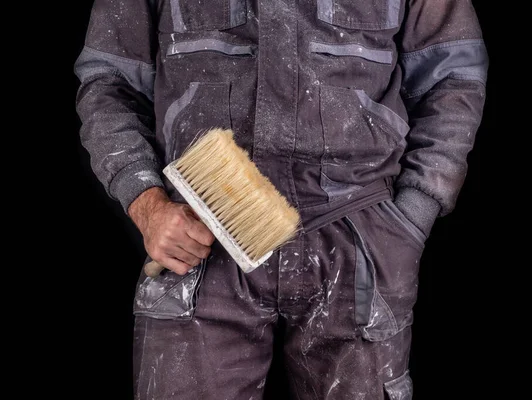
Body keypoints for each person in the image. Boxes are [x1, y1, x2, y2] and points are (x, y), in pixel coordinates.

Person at [75, 0, 488, 398]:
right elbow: (109, 81)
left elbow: (452, 76)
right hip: (199, 236)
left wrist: (411, 216)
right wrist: (146, 204)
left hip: (359, 242)